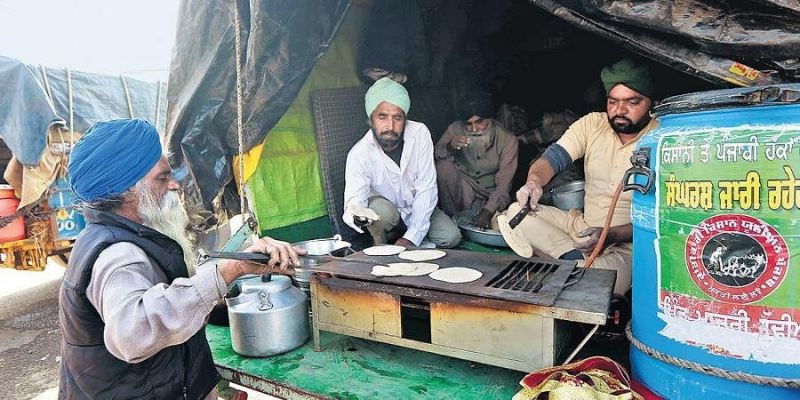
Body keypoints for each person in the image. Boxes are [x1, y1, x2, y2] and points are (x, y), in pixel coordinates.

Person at [58, 119, 303, 399]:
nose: (174, 185)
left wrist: (237, 264)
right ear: (127, 190)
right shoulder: (118, 255)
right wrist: (229, 271)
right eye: (162, 178)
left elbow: (170, 290)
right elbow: (132, 334)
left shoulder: (123, 234)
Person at [508, 59, 658, 295]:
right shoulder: (592, 124)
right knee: (516, 212)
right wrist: (533, 183)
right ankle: (574, 261)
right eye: (613, 102)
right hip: (582, 230)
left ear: (652, 103)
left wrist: (612, 235)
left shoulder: (664, 137)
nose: (620, 110)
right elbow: (552, 159)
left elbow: (666, 218)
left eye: (632, 102)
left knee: (604, 280)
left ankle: (567, 266)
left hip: (628, 246)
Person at [343, 77, 461, 248]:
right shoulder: (359, 154)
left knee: (451, 237)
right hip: (386, 213)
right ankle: (383, 249)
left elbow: (426, 188)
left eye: (397, 118)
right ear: (371, 119)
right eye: (382, 116)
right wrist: (358, 215)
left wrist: (412, 237)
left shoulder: (420, 134)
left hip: (415, 206)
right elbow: (354, 202)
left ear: (405, 119)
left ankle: (403, 238)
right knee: (380, 214)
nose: (390, 126)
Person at [435, 95, 518, 228]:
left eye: (479, 122)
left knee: (498, 224)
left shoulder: (507, 139)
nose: (474, 129)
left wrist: (487, 211)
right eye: (468, 124)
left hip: (489, 197)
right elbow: (434, 155)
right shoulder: (455, 129)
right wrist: (450, 147)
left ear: (490, 120)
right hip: (461, 192)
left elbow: (504, 185)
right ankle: (452, 222)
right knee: (443, 167)